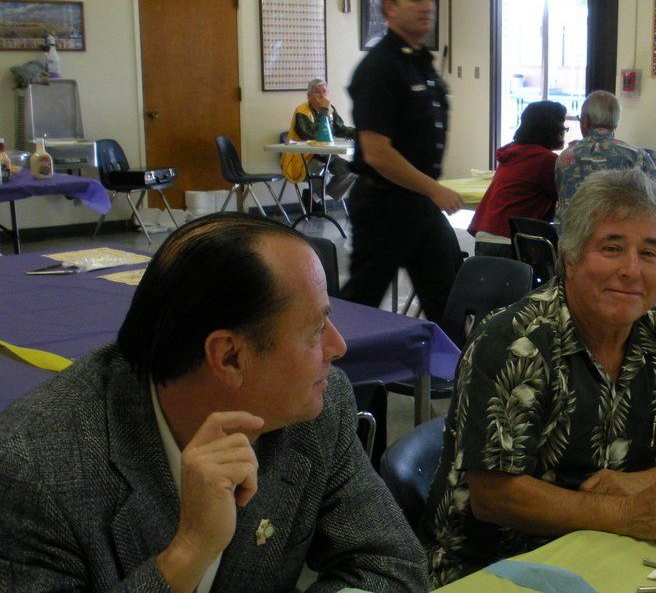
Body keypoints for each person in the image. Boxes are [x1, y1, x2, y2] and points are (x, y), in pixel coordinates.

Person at [0, 213, 428, 591]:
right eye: (316, 330)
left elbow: (391, 565)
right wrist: (188, 552)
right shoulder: (36, 468)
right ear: (229, 357)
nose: (338, 347)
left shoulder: (316, 406)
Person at [423, 169, 656, 585]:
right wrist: (624, 512)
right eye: (612, 248)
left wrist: (640, 484)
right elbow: (495, 496)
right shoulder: (515, 342)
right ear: (571, 258)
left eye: (649, 253)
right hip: (496, 567)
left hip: (621, 550)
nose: (632, 270)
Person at [342, 0, 462, 322]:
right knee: (362, 302)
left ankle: (455, 358)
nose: (427, 7)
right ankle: (335, 355)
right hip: (383, 207)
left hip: (419, 206)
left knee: (449, 301)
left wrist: (428, 193)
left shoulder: (419, 62)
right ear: (389, 9)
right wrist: (434, 189)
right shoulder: (380, 67)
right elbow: (376, 152)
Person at [468, 100, 567, 258]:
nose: (564, 131)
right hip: (511, 237)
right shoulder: (545, 160)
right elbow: (565, 195)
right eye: (562, 125)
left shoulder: (512, 153)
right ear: (550, 129)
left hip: (485, 234)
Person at [553, 90, 656, 223]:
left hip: (569, 234)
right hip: (616, 233)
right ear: (616, 123)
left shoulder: (565, 157)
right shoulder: (636, 156)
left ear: (585, 120)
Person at [281, 78, 358, 201]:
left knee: (350, 170)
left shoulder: (330, 109)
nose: (322, 96)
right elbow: (312, 134)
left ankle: (315, 198)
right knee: (320, 171)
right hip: (304, 158)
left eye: (324, 91)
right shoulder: (301, 111)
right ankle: (315, 202)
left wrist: (360, 133)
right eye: (317, 92)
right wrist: (323, 111)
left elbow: (340, 128)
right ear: (308, 95)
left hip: (326, 155)